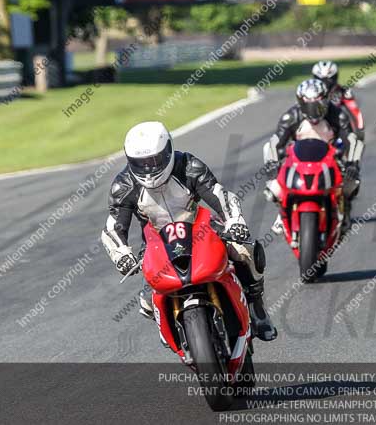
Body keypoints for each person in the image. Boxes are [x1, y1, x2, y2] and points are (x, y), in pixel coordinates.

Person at [101, 121, 278, 341]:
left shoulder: (188, 166)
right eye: (141, 163)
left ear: (168, 151)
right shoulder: (123, 186)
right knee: (147, 301)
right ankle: (168, 328)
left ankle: (257, 307)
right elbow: (113, 227)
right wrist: (122, 255)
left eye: (155, 160)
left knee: (245, 250)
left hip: (200, 225)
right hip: (156, 239)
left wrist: (235, 221)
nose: (149, 169)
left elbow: (218, 194)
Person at [265, 79, 361, 233]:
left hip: (331, 159)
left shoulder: (338, 116)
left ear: (325, 100)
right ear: (300, 103)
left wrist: (352, 164)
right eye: (309, 106)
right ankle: (282, 213)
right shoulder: (290, 117)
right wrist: (272, 165)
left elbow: (352, 140)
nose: (313, 111)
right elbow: (274, 143)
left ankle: (345, 209)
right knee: (274, 186)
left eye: (318, 105)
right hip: (298, 160)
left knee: (352, 182)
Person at [310, 60, 365, 141]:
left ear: (335, 77)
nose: (325, 84)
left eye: (329, 80)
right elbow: (299, 109)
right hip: (313, 126)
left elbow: (355, 111)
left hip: (335, 128)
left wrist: (360, 129)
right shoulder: (309, 92)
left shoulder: (343, 92)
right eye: (321, 80)